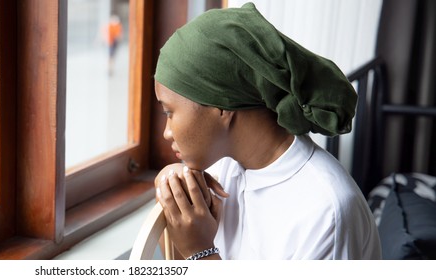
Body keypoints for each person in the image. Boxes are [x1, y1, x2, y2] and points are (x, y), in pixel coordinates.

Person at [153, 2, 381, 260]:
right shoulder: (224, 169)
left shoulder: (327, 212)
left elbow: (193, 255)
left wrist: (200, 251)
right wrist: (168, 184)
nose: (166, 133)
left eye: (169, 113)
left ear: (221, 107)